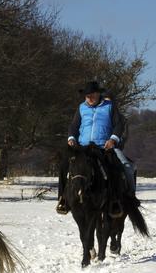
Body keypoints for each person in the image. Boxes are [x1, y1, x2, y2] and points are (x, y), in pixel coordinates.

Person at [55, 80, 136, 215]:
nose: (89, 98)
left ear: (99, 94)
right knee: (64, 165)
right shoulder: (82, 108)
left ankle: (129, 197)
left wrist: (112, 139)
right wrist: (71, 138)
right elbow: (73, 126)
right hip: (83, 148)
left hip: (104, 147)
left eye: (92, 95)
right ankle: (63, 198)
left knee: (126, 166)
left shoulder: (110, 106)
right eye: (87, 96)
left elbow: (119, 125)